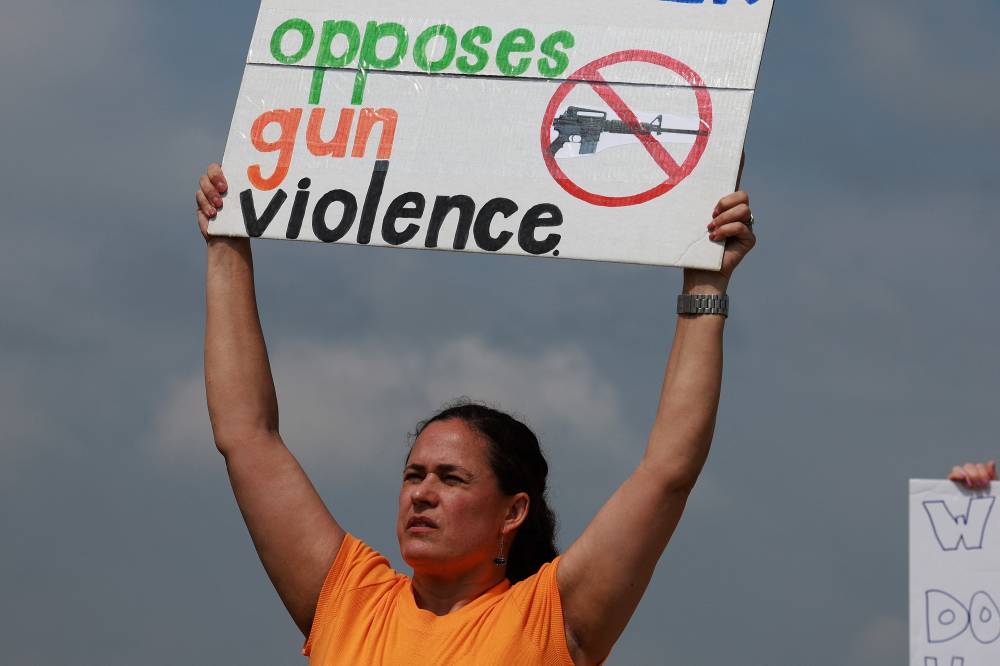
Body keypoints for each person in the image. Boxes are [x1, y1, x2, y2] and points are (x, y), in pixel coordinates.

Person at [195, 162, 756, 665]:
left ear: (513, 512)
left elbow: (666, 473)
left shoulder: (548, 620)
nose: (422, 492)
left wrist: (705, 284)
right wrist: (226, 244)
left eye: (451, 477)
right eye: (414, 475)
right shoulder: (350, 604)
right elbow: (248, 437)